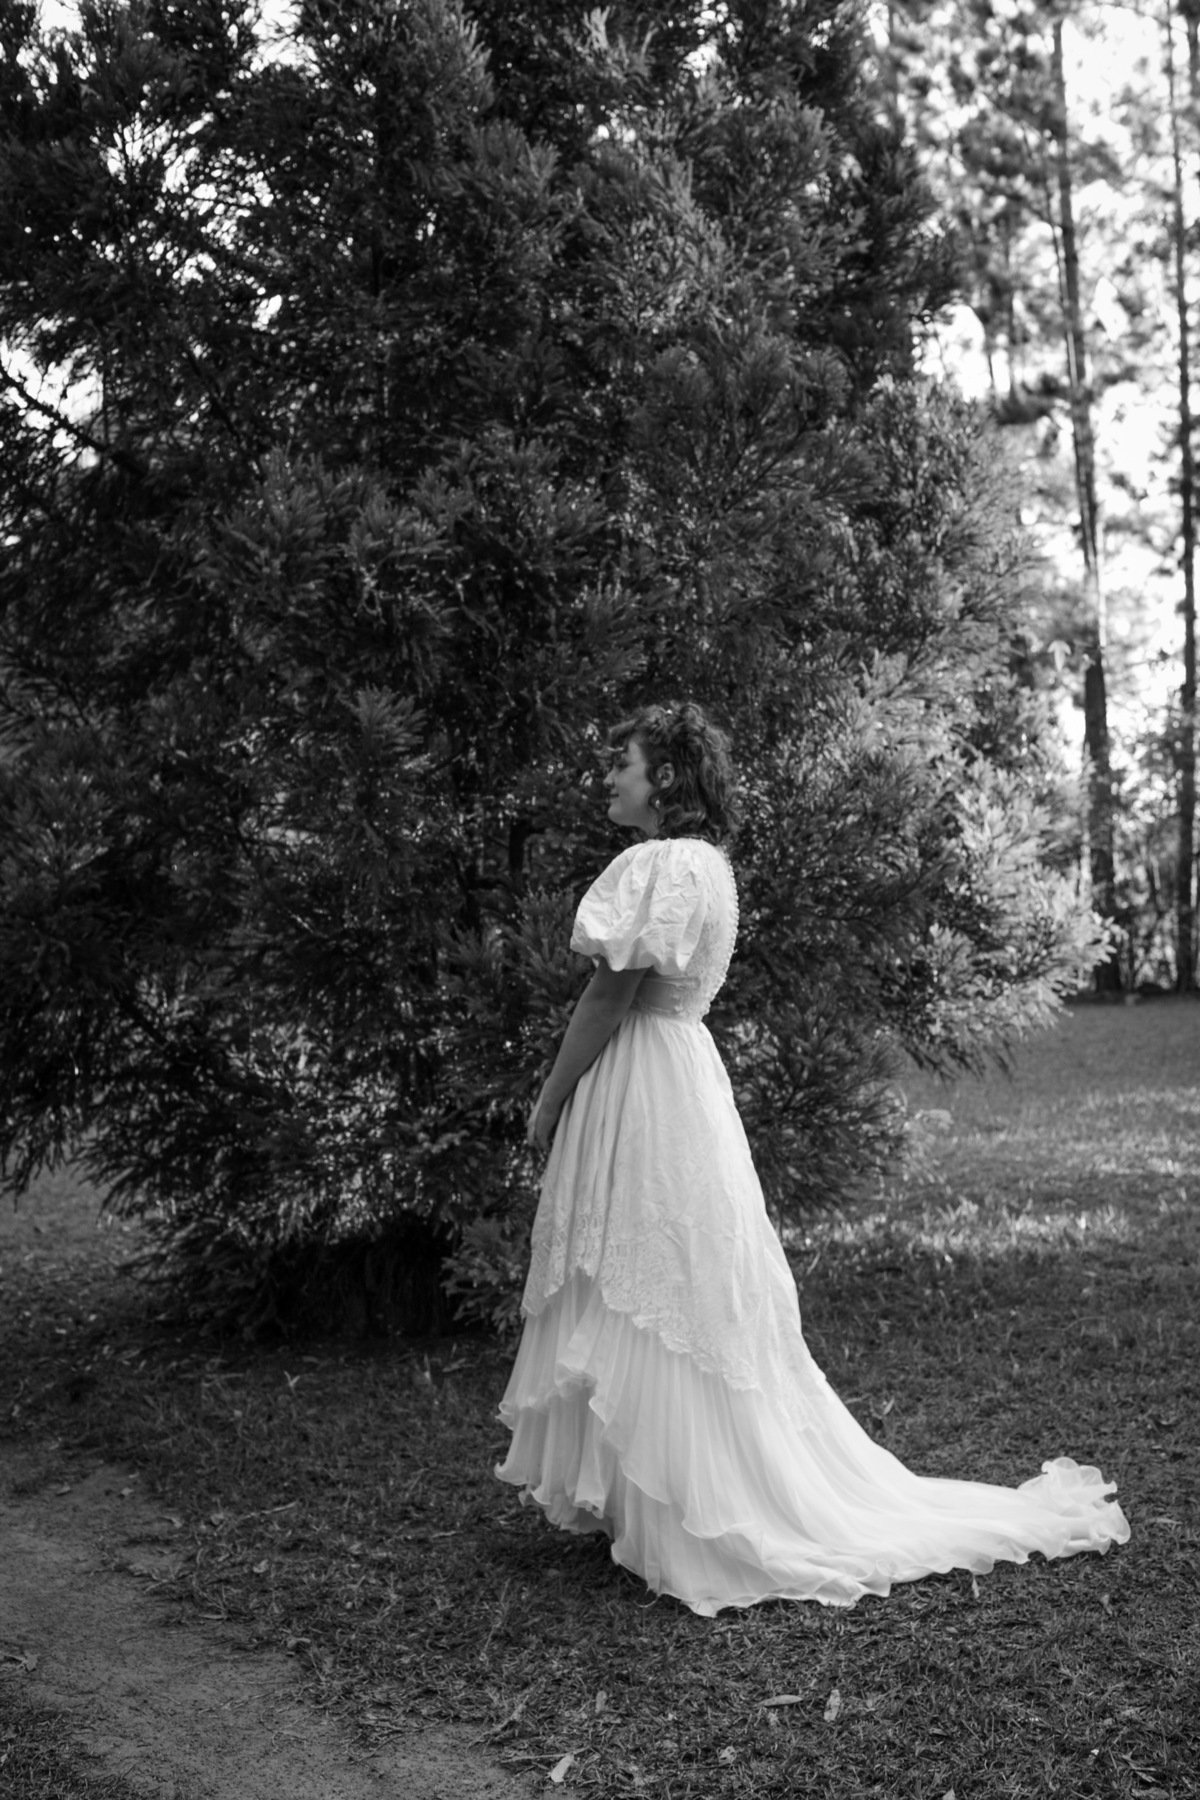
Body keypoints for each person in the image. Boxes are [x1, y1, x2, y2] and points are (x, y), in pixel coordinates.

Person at [495, 702, 1130, 1615]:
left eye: (620, 763)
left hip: (643, 1081)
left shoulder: (663, 863)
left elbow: (609, 995)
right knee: (673, 1277)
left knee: (648, 1275)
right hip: (682, 1079)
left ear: (664, 778)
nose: (608, 777)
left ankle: (683, 1505)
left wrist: (551, 1099)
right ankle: (654, 1494)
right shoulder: (712, 869)